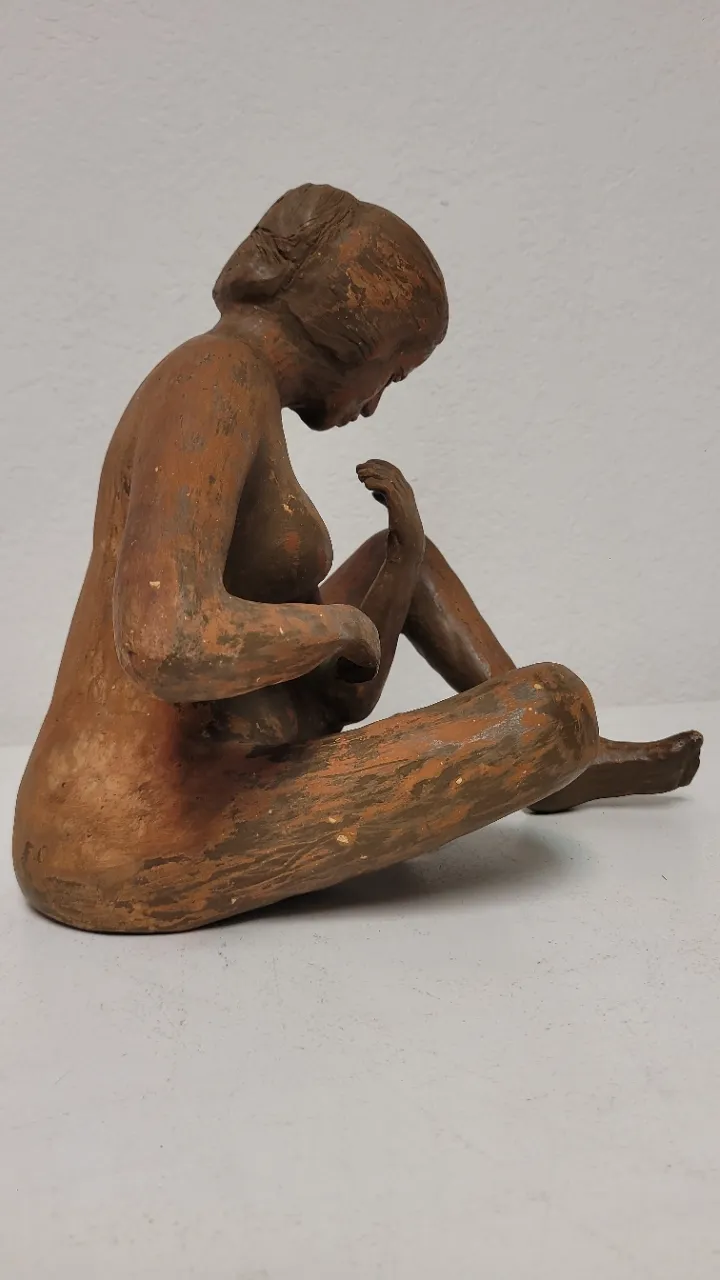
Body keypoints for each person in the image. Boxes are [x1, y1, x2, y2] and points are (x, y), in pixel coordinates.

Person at [13, 184, 702, 933]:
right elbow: (168, 641)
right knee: (554, 709)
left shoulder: (229, 380)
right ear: (352, 335)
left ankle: (564, 774)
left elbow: (335, 697)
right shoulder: (215, 377)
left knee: (402, 558)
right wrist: (336, 629)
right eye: (392, 374)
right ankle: (560, 753)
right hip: (126, 833)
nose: (374, 404)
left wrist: (396, 570)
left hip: (207, 755)